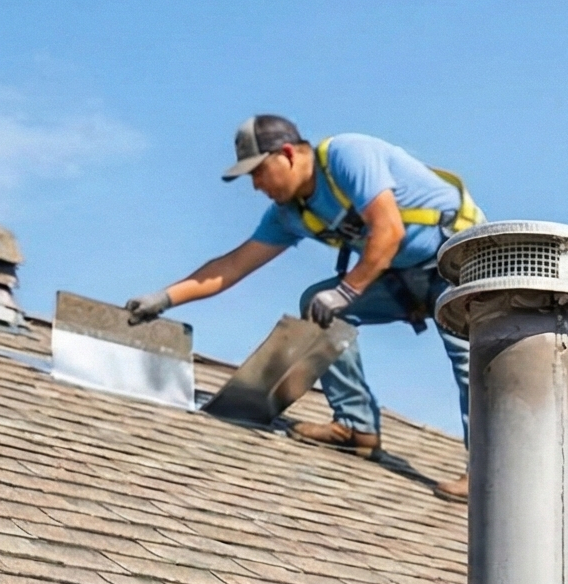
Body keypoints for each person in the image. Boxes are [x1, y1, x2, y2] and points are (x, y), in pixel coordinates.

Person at [128, 116, 477, 483]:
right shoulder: (290, 215)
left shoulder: (348, 156)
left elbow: (388, 230)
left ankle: (487, 474)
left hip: (459, 260)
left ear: (288, 154)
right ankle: (356, 427)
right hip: (401, 277)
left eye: (258, 172)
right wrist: (164, 298)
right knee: (318, 306)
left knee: (472, 358)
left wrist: (346, 292)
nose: (256, 185)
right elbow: (231, 266)